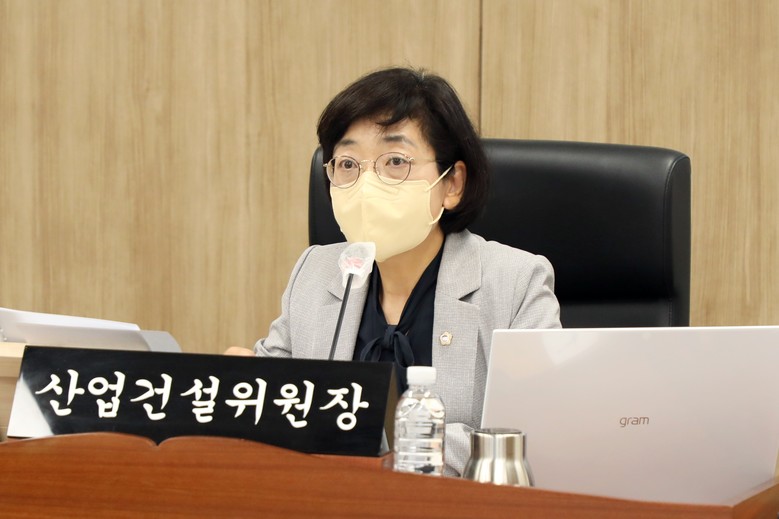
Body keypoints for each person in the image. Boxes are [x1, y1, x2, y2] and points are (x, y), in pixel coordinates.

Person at [226, 67, 561, 474]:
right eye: (347, 164)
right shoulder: (314, 272)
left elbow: (534, 435)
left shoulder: (515, 282)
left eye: (395, 161)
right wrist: (242, 386)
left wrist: (392, 454)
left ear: (452, 183)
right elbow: (275, 399)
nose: (367, 185)